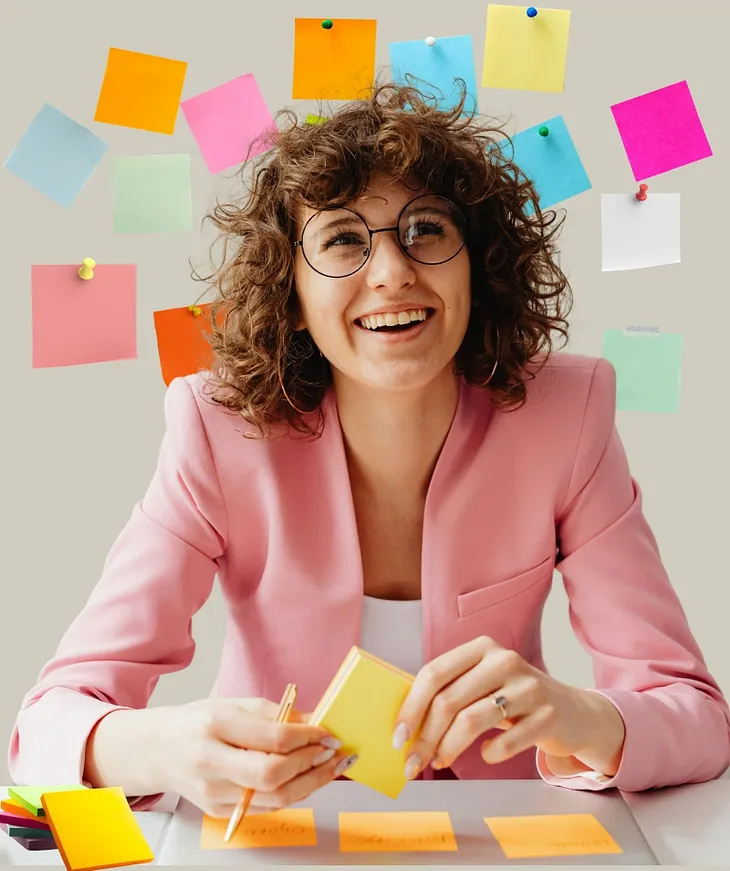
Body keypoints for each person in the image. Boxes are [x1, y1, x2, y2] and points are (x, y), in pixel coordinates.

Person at [9, 80, 730, 818]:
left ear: (477, 265)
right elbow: (42, 727)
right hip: (280, 839)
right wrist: (166, 748)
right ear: (288, 290)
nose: (391, 273)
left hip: (502, 838)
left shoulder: (566, 415)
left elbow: (697, 716)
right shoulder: (218, 432)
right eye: (344, 240)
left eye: (427, 231)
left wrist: (584, 717)